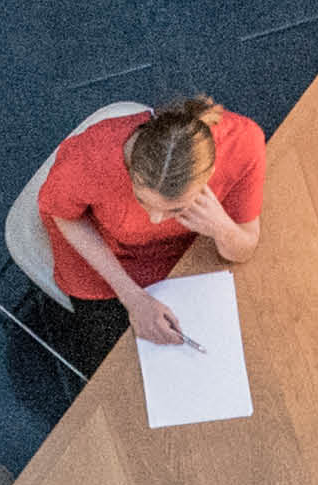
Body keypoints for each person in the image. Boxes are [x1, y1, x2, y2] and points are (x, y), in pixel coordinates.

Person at [37, 93, 265, 371]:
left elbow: (244, 248)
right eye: (142, 200)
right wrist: (132, 297)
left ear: (210, 175)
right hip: (109, 265)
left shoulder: (242, 144)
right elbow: (63, 215)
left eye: (175, 208)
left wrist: (220, 226)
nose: (156, 219)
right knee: (120, 373)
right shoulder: (91, 158)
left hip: (184, 260)